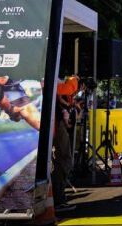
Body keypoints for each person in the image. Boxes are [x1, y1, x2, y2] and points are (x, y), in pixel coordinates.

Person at [52, 75, 79, 212]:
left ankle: (57, 199)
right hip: (55, 124)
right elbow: (67, 89)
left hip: (54, 123)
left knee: (60, 160)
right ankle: (58, 200)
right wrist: (74, 80)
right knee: (63, 160)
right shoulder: (51, 77)